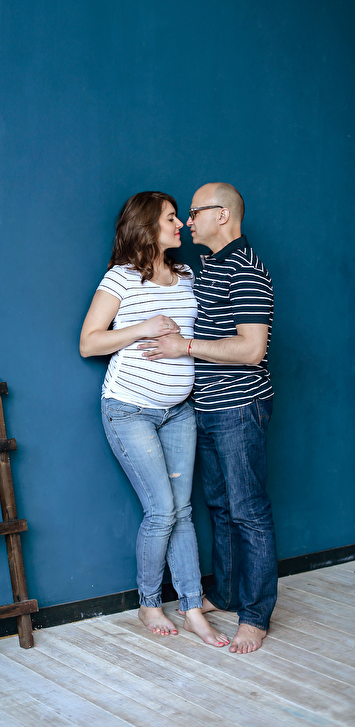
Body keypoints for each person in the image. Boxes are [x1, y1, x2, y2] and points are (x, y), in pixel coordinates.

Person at [80, 191, 230, 646]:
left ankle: (192, 607)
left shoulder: (186, 275)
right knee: (162, 510)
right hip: (130, 410)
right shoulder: (121, 278)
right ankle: (148, 602)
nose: (181, 224)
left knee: (182, 511)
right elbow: (89, 342)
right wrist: (142, 328)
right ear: (147, 226)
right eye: (171, 218)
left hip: (179, 411)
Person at [140, 182, 276, 654]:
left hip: (240, 407)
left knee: (249, 512)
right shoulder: (211, 266)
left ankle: (255, 616)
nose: (188, 221)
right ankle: (227, 593)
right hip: (208, 407)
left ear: (223, 215)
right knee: (219, 507)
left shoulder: (246, 269)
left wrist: (185, 347)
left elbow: (252, 349)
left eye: (195, 211)